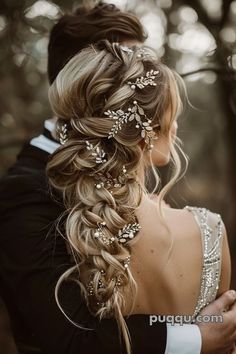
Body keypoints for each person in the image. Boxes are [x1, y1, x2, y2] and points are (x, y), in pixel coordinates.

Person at [0, 2, 235, 354]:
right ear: (81, 76)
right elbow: (69, 337)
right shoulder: (24, 192)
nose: (142, 79)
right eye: (121, 61)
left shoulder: (136, 185)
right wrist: (197, 337)